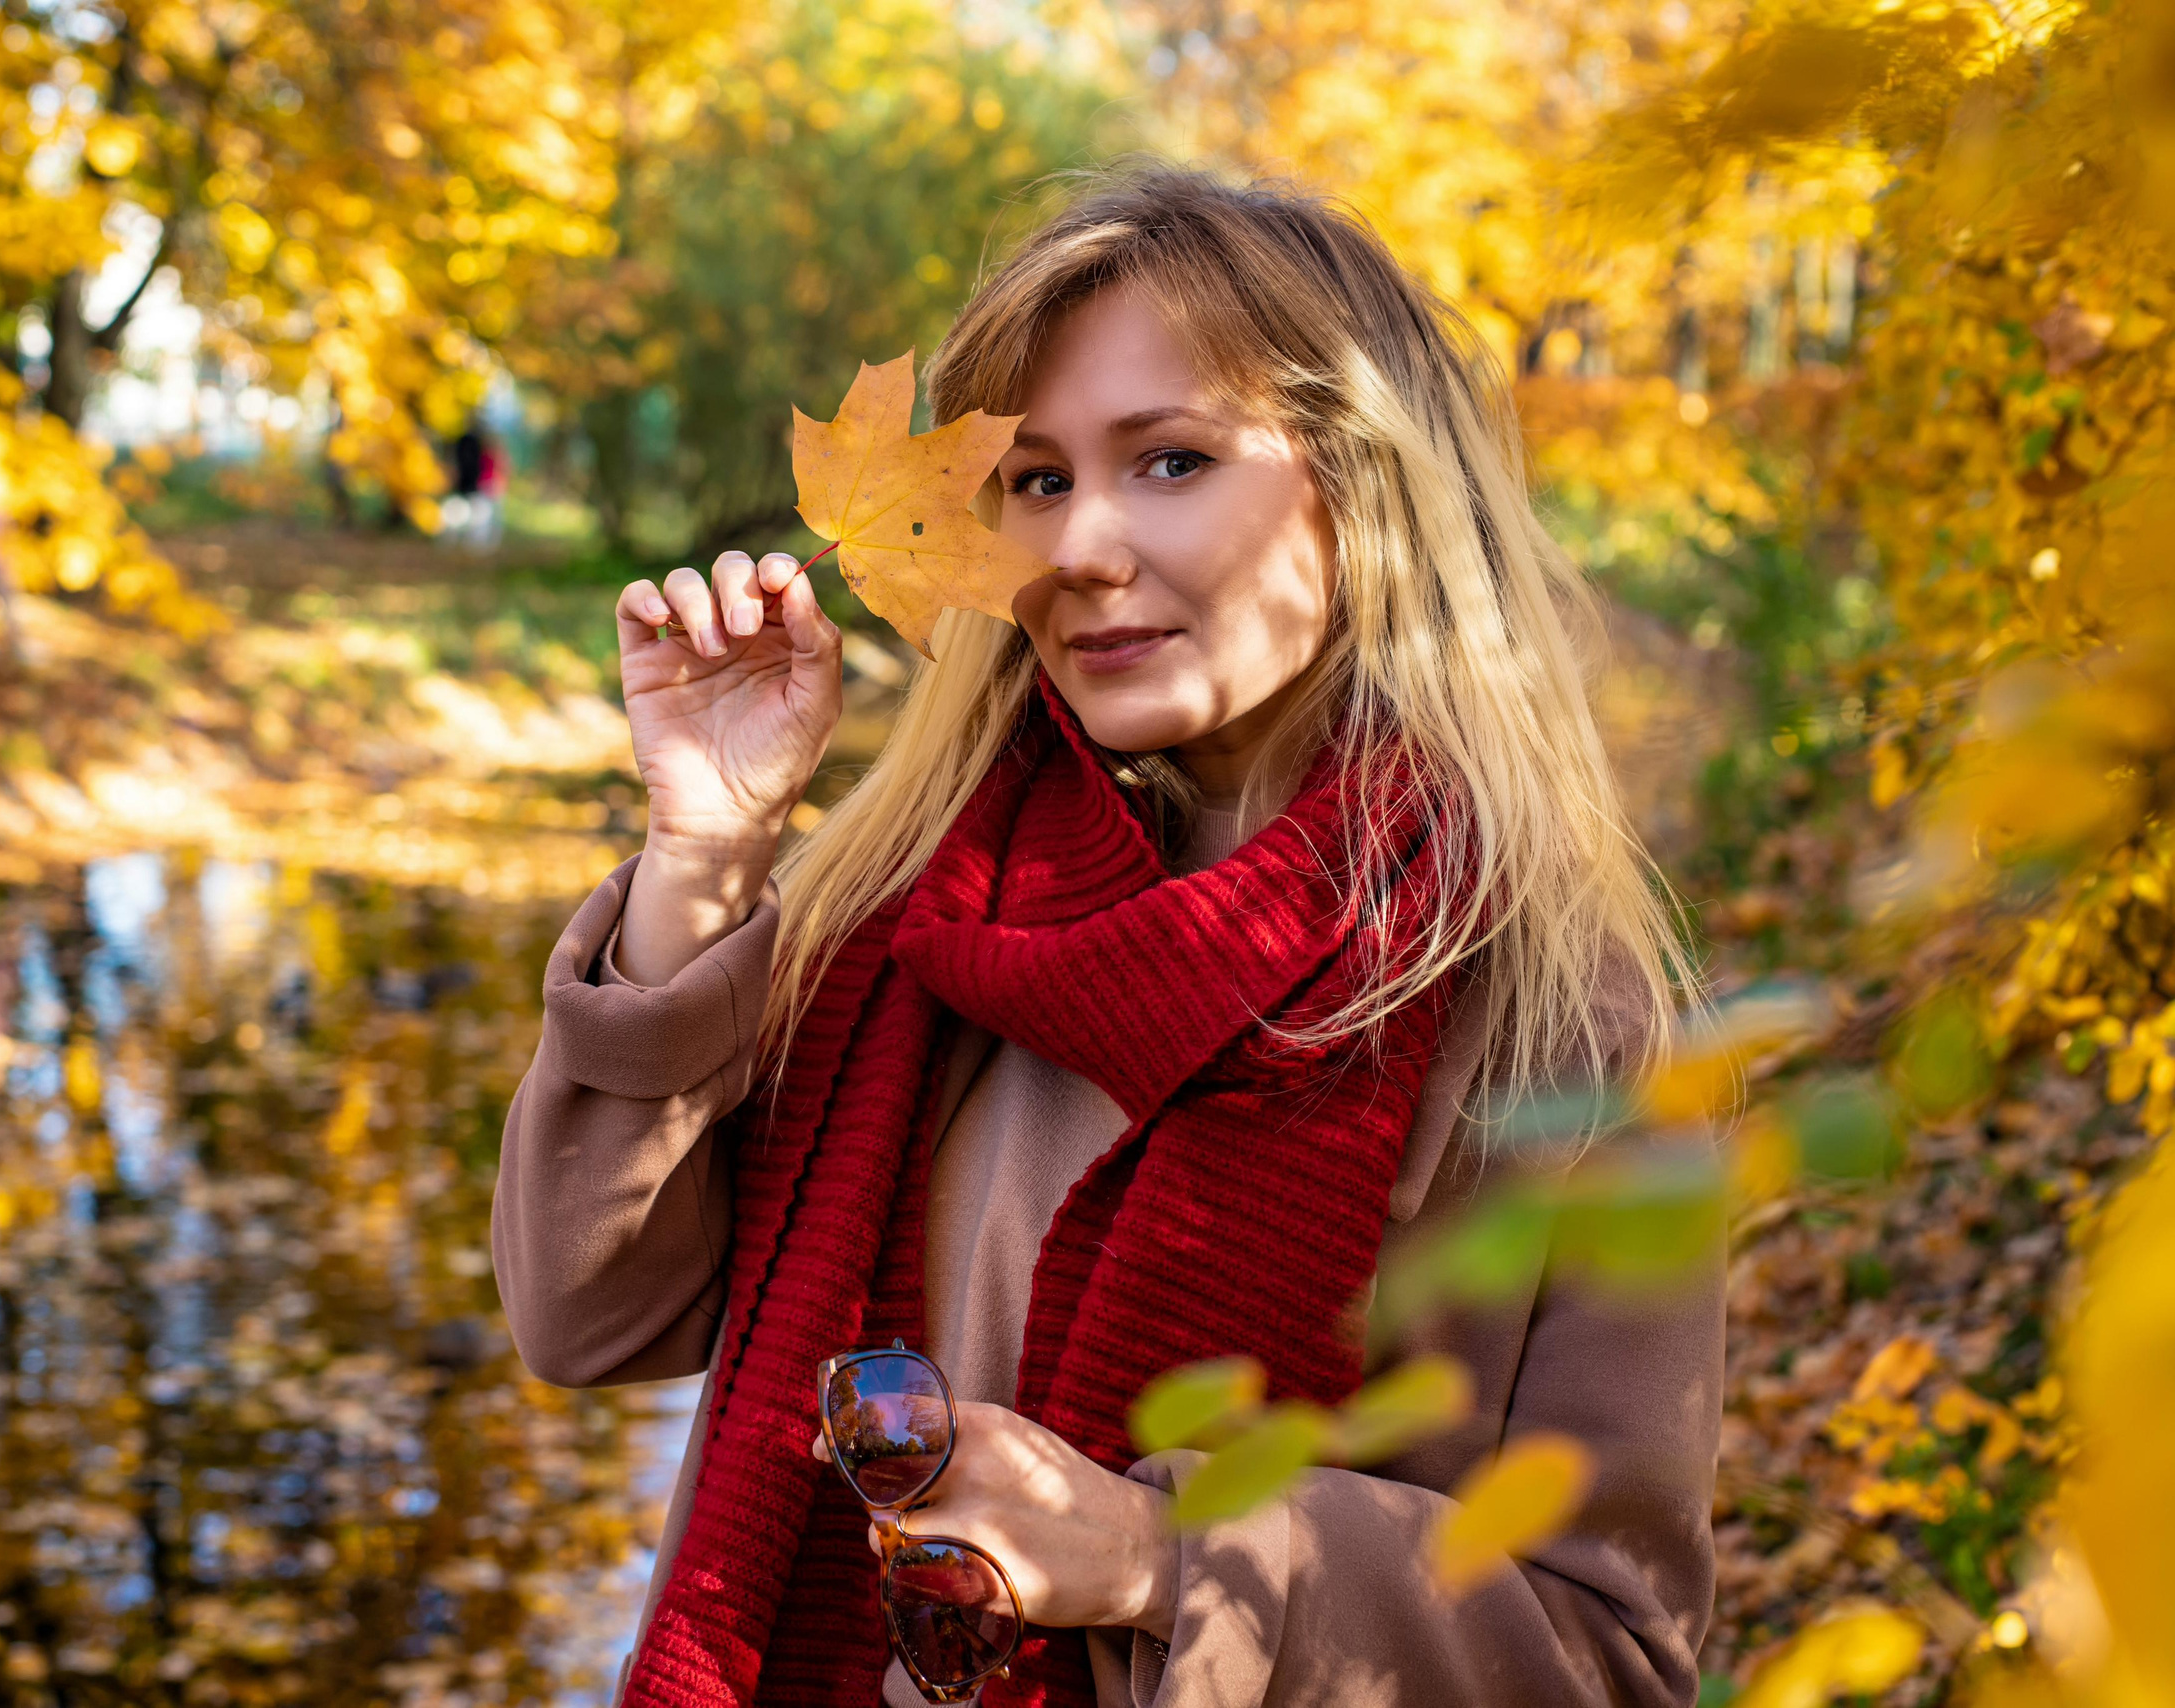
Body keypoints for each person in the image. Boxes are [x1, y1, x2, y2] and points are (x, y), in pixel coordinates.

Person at [494, 167, 1720, 1708]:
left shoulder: (1546, 1016)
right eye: (1038, 480)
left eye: (1173, 459)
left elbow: (1607, 1655)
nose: (1082, 545)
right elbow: (590, 1312)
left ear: (1372, 491)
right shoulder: (908, 914)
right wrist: (704, 859)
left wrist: (1160, 1557)